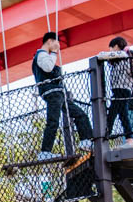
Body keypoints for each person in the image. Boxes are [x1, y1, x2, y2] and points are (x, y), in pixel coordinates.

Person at [33, 32, 93, 161]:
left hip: (58, 93)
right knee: (53, 121)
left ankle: (85, 140)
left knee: (79, 114)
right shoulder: (41, 54)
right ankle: (45, 151)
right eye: (56, 44)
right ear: (50, 41)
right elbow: (48, 68)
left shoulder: (43, 55)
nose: (58, 47)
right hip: (52, 92)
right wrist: (54, 52)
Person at [97, 37, 133, 149]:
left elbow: (103, 56)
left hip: (122, 90)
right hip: (120, 90)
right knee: (121, 115)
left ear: (117, 45)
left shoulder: (123, 55)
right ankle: (129, 141)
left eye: (112, 47)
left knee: (114, 115)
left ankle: (105, 138)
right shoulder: (121, 58)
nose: (111, 50)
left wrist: (101, 55)